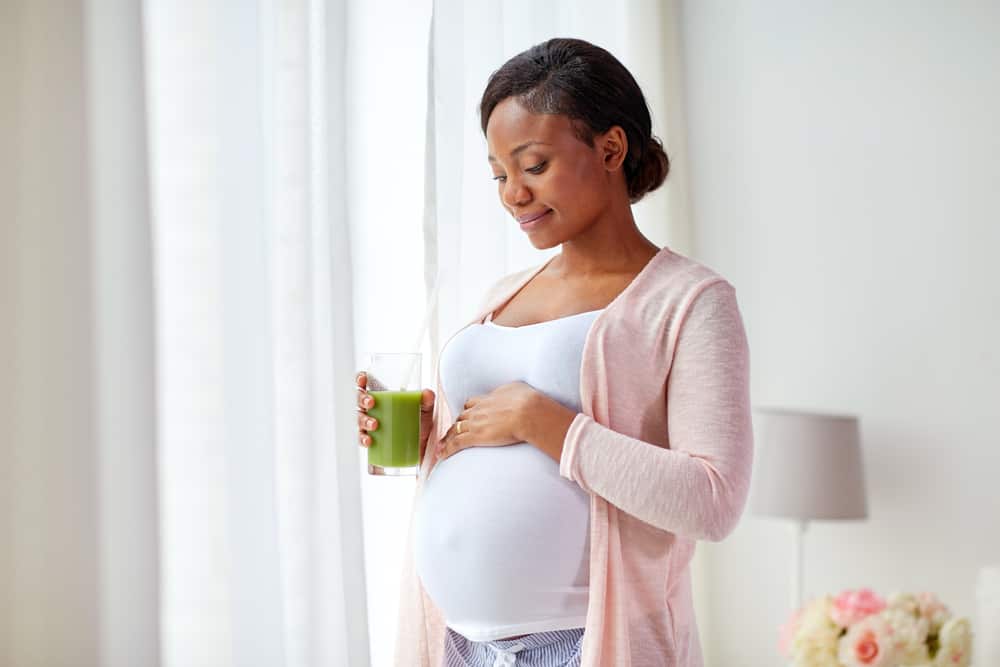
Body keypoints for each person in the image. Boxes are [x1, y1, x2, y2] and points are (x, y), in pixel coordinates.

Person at [356, 37, 753, 667]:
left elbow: (712, 500)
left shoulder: (689, 300)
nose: (512, 193)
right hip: (460, 643)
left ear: (611, 149)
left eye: (533, 166)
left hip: (583, 645)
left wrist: (547, 424)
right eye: (498, 174)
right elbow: (489, 446)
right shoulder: (502, 296)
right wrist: (434, 436)